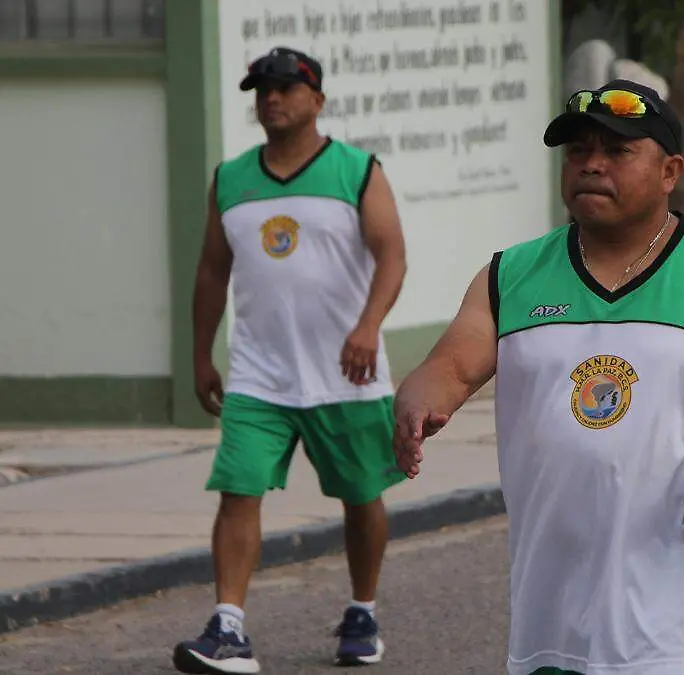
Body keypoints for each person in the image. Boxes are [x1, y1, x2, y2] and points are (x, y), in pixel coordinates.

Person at [390, 79, 684, 674]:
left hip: (678, 626)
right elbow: (448, 368)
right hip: (548, 623)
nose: (592, 165)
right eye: (579, 151)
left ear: (670, 171)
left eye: (617, 151)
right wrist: (415, 403)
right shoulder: (510, 276)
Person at [173, 47, 408, 674]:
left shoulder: (357, 171)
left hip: (345, 375)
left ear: (317, 100)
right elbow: (210, 272)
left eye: (284, 87)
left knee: (362, 497)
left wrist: (367, 326)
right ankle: (228, 627)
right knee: (238, 489)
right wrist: (200, 355)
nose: (271, 98)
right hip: (259, 376)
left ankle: (363, 610)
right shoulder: (230, 178)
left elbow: (392, 257)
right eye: (261, 89)